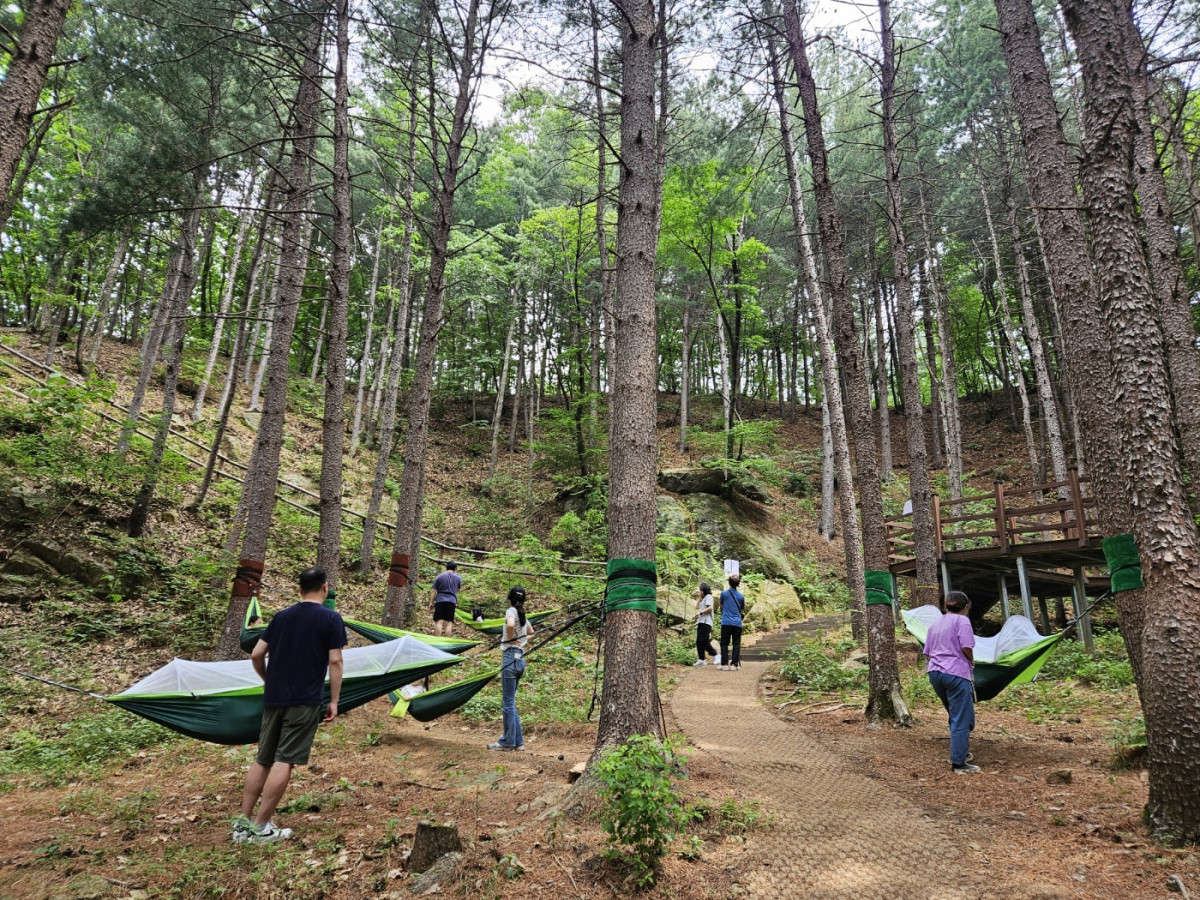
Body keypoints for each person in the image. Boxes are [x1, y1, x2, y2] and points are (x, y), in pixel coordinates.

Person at [233, 566, 347, 844]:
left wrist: (267, 679)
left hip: (274, 697)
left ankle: (242, 826)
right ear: (325, 588)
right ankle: (261, 828)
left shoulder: (282, 616)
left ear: (299, 590)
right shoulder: (331, 619)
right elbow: (335, 661)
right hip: (304, 699)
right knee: (285, 760)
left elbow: (257, 653)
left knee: (263, 759)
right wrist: (333, 700)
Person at [924, 590, 981, 775]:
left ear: (946, 605)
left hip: (935, 673)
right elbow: (966, 646)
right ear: (966, 607)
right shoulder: (962, 620)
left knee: (959, 715)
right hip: (955, 673)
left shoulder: (936, 623)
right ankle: (959, 763)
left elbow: (928, 651)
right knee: (961, 719)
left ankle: (960, 750)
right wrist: (971, 660)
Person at [488, 585, 534, 751]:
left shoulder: (511, 611)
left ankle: (507, 742)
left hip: (510, 658)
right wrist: (522, 640)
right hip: (520, 660)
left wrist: (512, 638)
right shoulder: (522, 615)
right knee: (510, 702)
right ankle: (518, 741)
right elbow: (532, 632)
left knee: (507, 703)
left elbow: (509, 625)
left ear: (510, 598)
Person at [717, 574, 745, 670]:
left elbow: (721, 606)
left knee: (724, 643)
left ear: (729, 582)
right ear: (738, 584)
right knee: (736, 644)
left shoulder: (724, 594)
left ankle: (724, 664)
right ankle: (734, 665)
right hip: (737, 623)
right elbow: (741, 610)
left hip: (726, 622)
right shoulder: (741, 596)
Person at [429, 561, 463, 637]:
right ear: (455, 569)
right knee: (449, 622)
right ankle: (447, 641)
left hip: (440, 600)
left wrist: (431, 602)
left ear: (446, 567)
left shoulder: (439, 577)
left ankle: (438, 640)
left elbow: (434, 590)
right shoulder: (458, 578)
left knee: (439, 621)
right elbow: (457, 590)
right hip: (451, 601)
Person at [692, 582, 719, 667]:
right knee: (699, 641)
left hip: (706, 622)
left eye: (700, 590)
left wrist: (700, 613)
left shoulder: (709, 597)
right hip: (701, 621)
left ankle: (716, 655)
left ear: (703, 590)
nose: (699, 591)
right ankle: (701, 659)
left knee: (704, 640)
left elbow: (710, 608)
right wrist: (700, 597)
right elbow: (697, 607)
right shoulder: (704, 598)